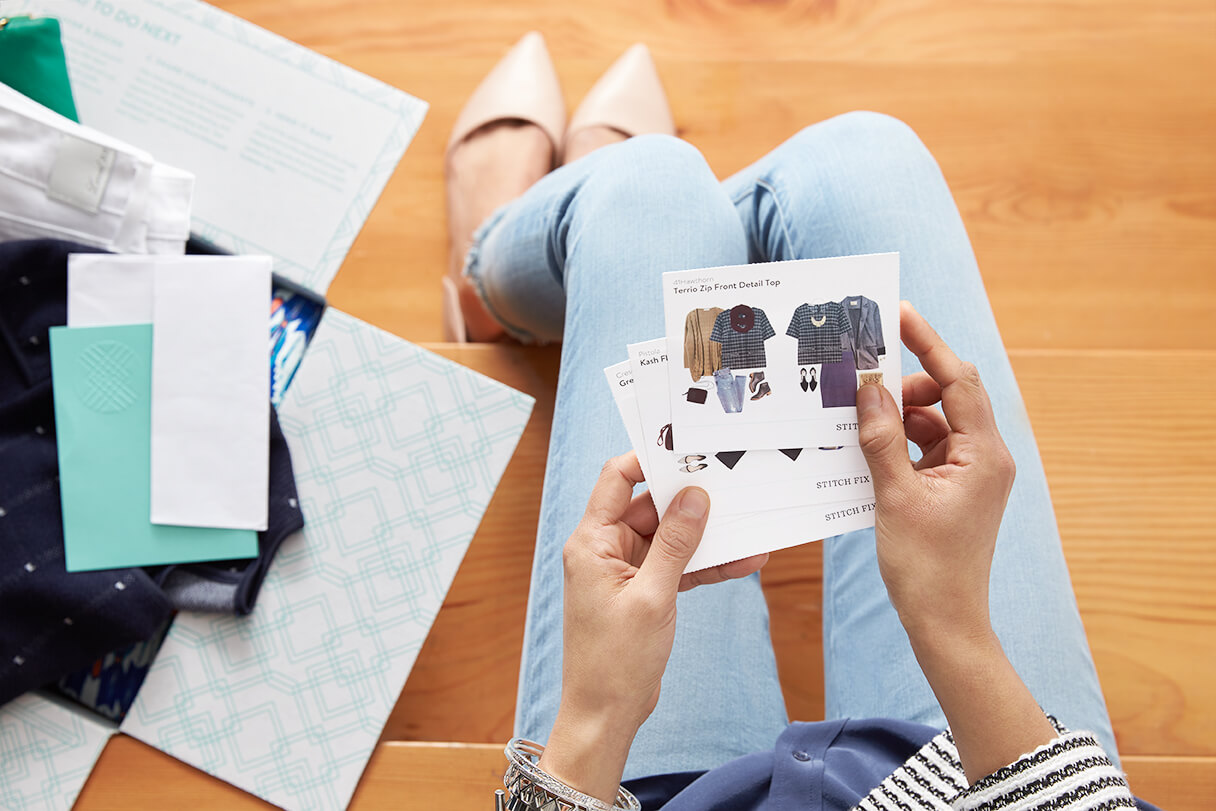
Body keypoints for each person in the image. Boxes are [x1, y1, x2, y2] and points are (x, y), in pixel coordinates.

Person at [445, 33, 1154, 810]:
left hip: (664, 795)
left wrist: (593, 720)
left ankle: (505, 268)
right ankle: (623, 223)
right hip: (1000, 765)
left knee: (648, 185)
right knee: (863, 156)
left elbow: (592, 731)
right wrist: (953, 625)